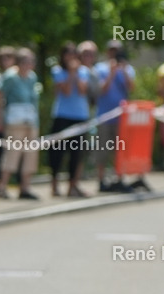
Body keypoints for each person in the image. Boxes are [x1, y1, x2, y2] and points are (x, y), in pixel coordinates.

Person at [0, 48, 40, 200]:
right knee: (12, 153)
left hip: (31, 121)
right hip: (14, 122)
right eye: (25, 61)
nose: (28, 64)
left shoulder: (33, 77)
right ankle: (2, 187)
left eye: (31, 61)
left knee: (30, 155)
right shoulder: (10, 77)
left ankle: (25, 188)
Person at [49, 42, 91, 197]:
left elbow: (82, 90)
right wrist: (71, 73)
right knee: (57, 152)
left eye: (73, 54)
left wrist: (76, 72)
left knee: (77, 153)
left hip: (80, 116)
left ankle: (73, 185)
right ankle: (54, 185)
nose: (71, 57)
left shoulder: (84, 71)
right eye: (68, 54)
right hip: (62, 116)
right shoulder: (58, 71)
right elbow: (66, 91)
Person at [94, 40, 136, 193]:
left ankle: (119, 178)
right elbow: (101, 90)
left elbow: (131, 88)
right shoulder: (100, 68)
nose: (114, 53)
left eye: (117, 51)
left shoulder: (127, 68)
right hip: (104, 116)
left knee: (120, 150)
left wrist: (122, 70)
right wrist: (112, 72)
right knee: (103, 149)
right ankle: (101, 180)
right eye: (112, 50)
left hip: (121, 119)